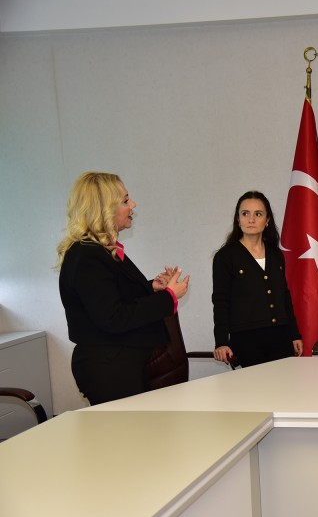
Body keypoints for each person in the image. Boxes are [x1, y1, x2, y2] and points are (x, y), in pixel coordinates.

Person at [57, 172, 190, 405]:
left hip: (121, 363)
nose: (133, 205)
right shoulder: (88, 255)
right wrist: (169, 297)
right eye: (126, 200)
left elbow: (114, 297)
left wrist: (152, 287)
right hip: (109, 369)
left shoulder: (100, 250)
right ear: (104, 209)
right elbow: (114, 317)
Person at [212, 191, 303, 367]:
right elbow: (221, 301)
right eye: (245, 213)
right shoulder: (225, 256)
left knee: (285, 383)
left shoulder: (276, 255)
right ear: (238, 219)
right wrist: (221, 341)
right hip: (246, 340)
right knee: (255, 385)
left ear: (267, 220)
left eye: (258, 214)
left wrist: (294, 334)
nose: (251, 219)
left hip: (281, 336)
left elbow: (284, 297)